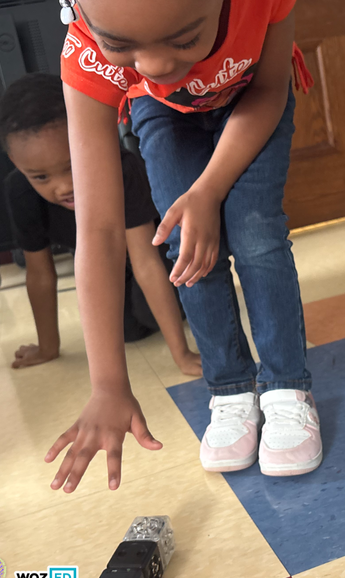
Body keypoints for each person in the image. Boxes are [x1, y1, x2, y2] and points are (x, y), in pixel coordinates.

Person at [45, 0, 322, 492]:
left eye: (184, 38)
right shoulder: (84, 50)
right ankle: (231, 392)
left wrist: (209, 189)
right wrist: (108, 384)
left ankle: (286, 390)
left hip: (252, 94)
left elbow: (268, 89)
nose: (154, 65)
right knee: (183, 241)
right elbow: (100, 229)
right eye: (120, 45)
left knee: (256, 235)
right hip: (163, 112)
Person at [0, 73, 201, 375]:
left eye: (72, 167)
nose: (63, 187)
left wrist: (182, 355)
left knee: (150, 311)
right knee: (125, 332)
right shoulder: (20, 192)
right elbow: (39, 273)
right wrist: (47, 347)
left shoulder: (121, 170)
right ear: (15, 161)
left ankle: (184, 305)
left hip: (153, 255)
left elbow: (145, 263)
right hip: (110, 264)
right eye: (41, 177)